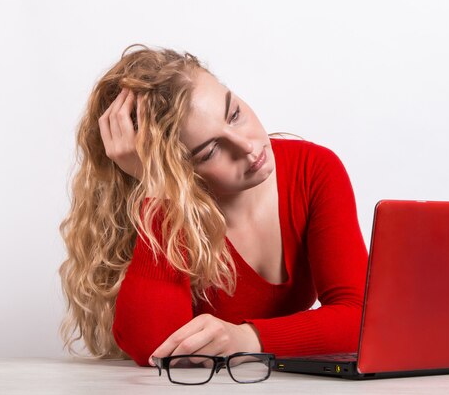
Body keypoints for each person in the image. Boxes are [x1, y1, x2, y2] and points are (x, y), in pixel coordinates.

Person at [59, 44, 368, 367]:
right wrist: (159, 187)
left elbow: (361, 319)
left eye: (234, 114)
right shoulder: (166, 202)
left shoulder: (313, 169)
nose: (248, 147)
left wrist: (247, 340)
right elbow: (155, 345)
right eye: (208, 152)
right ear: (175, 170)